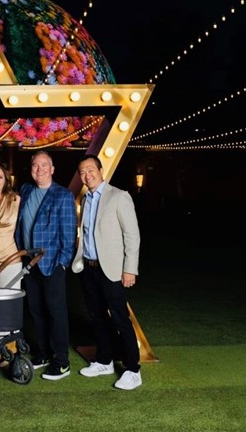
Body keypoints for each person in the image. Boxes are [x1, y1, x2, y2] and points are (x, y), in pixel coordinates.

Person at [72, 154, 142, 390]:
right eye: (82, 172)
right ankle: (105, 361)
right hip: (89, 268)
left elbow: (132, 235)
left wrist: (129, 269)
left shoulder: (119, 196)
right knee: (97, 318)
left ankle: (133, 370)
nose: (86, 175)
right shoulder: (87, 199)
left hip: (111, 269)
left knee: (121, 319)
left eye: (90, 170)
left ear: (101, 171)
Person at [14, 151, 77, 380]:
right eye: (35, 165)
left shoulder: (63, 195)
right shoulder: (26, 190)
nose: (39, 169)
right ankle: (42, 353)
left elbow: (69, 234)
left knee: (56, 313)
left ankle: (61, 361)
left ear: (52, 169)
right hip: (29, 264)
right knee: (36, 311)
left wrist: (62, 263)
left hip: (52, 264)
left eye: (44, 165)